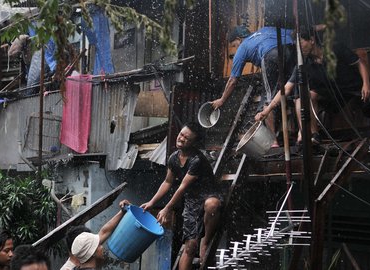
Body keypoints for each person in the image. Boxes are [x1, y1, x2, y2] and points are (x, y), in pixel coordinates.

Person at [255, 26, 370, 145]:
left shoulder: (335, 48)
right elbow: (287, 88)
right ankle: (315, 135)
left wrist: (366, 84)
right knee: (307, 95)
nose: (298, 48)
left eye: (300, 43)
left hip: (354, 85)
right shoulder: (303, 64)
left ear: (312, 40)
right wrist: (266, 111)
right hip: (332, 93)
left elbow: (359, 63)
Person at [141, 122, 222, 270]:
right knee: (190, 247)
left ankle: (205, 240)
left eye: (187, 138)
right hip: (192, 200)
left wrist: (167, 208)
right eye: (181, 135)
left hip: (208, 194)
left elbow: (182, 187)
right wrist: (152, 202)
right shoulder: (173, 158)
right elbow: (167, 182)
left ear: (193, 143)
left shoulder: (196, 160)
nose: (181, 138)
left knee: (212, 205)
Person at [211, 25, 297, 147]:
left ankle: (273, 142)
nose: (236, 49)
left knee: (267, 99)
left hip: (270, 56)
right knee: (295, 91)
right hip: (290, 51)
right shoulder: (265, 30)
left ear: (239, 39)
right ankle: (300, 134)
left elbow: (232, 80)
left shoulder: (243, 47)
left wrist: (222, 99)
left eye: (234, 45)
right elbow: (295, 32)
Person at [60, 199, 130, 270]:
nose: (102, 247)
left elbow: (104, 232)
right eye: (98, 244)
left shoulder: (84, 255)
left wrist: (122, 211)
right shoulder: (67, 268)